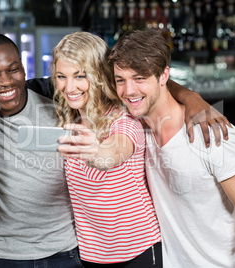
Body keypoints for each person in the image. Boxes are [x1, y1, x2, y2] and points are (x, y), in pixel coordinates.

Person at [0, 32, 229, 267]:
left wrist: (192, 98)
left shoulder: (55, 96)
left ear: (24, 69)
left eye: (13, 69)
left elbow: (135, 81)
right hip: (7, 253)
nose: (5, 82)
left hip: (70, 252)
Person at [108, 28, 235, 268]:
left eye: (139, 78)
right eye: (121, 80)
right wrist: (191, 95)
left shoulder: (212, 132)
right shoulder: (138, 128)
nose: (128, 91)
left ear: (163, 77)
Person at [51, 31, 161, 267]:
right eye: (62, 76)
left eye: (80, 76)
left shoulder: (124, 121)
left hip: (139, 251)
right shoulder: (66, 122)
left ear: (99, 75)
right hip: (92, 255)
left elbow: (113, 152)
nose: (69, 86)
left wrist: (96, 154)